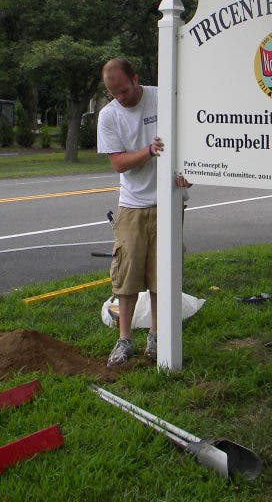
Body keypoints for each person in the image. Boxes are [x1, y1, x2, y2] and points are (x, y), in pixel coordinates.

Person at [97, 57, 189, 366]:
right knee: (127, 275)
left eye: (123, 90)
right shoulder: (109, 116)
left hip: (168, 200)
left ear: (136, 79)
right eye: (114, 93)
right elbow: (119, 163)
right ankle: (124, 341)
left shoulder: (163, 97)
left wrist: (185, 169)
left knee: (161, 274)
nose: (119, 98)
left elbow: (186, 135)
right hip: (132, 205)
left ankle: (156, 336)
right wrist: (149, 151)